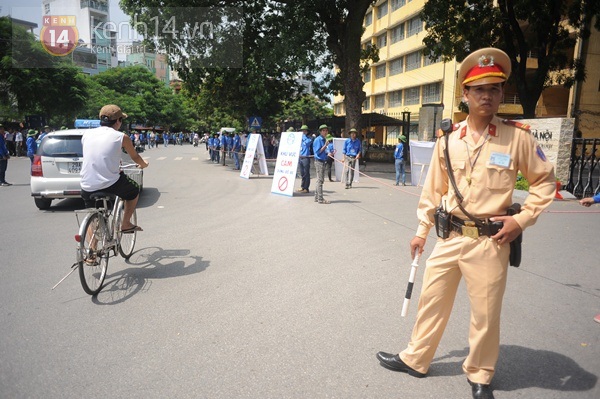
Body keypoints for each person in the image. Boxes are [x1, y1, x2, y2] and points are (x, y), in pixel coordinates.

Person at [376, 48, 556, 399]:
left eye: (494, 89)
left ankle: (480, 374)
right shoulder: (447, 139)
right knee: (431, 300)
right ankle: (416, 358)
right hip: (449, 238)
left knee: (485, 314)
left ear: (502, 94)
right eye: (479, 89)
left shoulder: (518, 137)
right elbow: (433, 192)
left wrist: (521, 220)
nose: (487, 95)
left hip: (491, 242)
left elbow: (545, 182)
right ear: (466, 95)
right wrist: (420, 232)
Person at [80, 105, 149, 232]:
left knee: (94, 219)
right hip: (110, 184)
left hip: (86, 186)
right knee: (133, 191)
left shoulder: (87, 134)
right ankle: (126, 224)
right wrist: (144, 164)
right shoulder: (121, 137)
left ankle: (91, 250)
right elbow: (135, 157)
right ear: (118, 121)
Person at [312, 124, 330, 204]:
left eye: (326, 130)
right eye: (323, 130)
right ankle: (320, 198)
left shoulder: (323, 139)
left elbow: (323, 151)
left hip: (323, 160)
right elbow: (318, 152)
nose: (325, 132)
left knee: (319, 180)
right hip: (319, 161)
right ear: (320, 132)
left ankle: (316, 197)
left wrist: (328, 153)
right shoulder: (318, 140)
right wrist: (325, 146)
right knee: (320, 180)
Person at [297, 125, 312, 193]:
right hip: (300, 157)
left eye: (304, 131)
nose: (303, 132)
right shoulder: (298, 139)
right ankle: (302, 186)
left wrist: (302, 136)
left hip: (306, 157)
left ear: (307, 132)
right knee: (302, 173)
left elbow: (306, 143)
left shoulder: (309, 139)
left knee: (306, 173)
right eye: (302, 131)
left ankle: (306, 188)